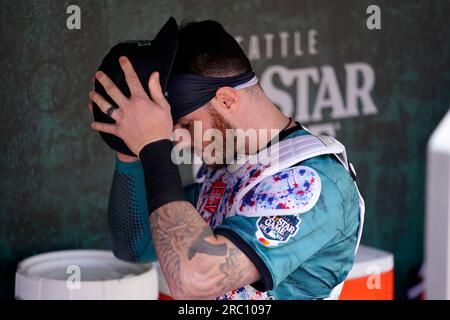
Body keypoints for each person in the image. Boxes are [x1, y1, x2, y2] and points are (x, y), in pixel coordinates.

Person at [88, 20, 364, 300]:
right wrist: (130, 152)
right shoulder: (229, 167)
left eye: (184, 123)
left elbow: (195, 279)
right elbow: (134, 245)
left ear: (227, 100)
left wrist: (155, 147)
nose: (177, 140)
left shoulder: (311, 182)